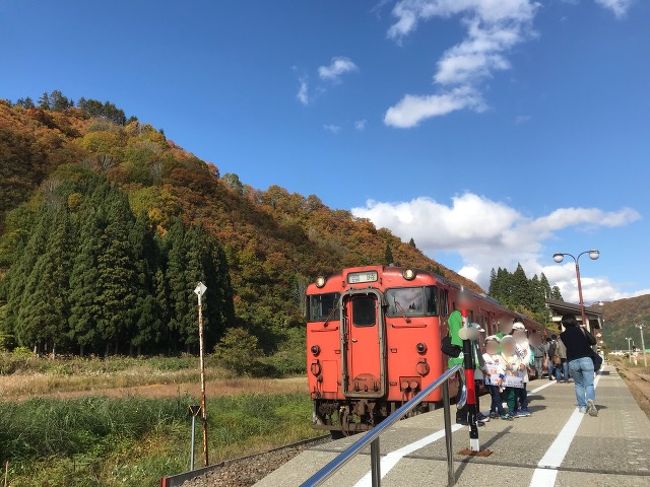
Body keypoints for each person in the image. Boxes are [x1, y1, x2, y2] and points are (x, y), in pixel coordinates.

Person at [559, 314, 598, 416]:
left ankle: (582, 407)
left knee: (578, 384)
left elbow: (563, 351)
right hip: (586, 358)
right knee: (589, 384)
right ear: (574, 321)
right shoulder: (580, 330)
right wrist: (583, 329)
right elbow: (593, 341)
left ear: (563, 323)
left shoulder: (562, 335)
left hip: (572, 361)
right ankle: (590, 400)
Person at [482, 335, 512, 420]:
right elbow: (482, 368)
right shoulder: (483, 357)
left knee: (495, 396)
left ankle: (492, 411)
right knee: (496, 396)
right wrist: (486, 372)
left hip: (498, 380)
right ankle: (501, 412)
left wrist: (501, 378)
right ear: (486, 346)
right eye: (489, 346)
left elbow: (502, 368)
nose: (491, 348)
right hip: (489, 380)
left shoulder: (499, 357)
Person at [511, 322, 532, 417]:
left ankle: (524, 407)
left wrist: (524, 363)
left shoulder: (525, 342)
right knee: (514, 391)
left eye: (521, 332)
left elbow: (528, 354)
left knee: (523, 390)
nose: (519, 334)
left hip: (522, 370)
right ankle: (514, 409)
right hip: (513, 369)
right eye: (517, 332)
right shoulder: (509, 340)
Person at [500, 335, 522, 417]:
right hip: (503, 378)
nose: (508, 347)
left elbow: (517, 365)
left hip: (514, 378)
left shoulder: (515, 356)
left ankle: (512, 410)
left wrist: (512, 367)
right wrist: (504, 367)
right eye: (506, 345)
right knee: (506, 394)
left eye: (510, 345)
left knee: (513, 394)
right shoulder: (501, 355)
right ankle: (511, 408)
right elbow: (499, 365)